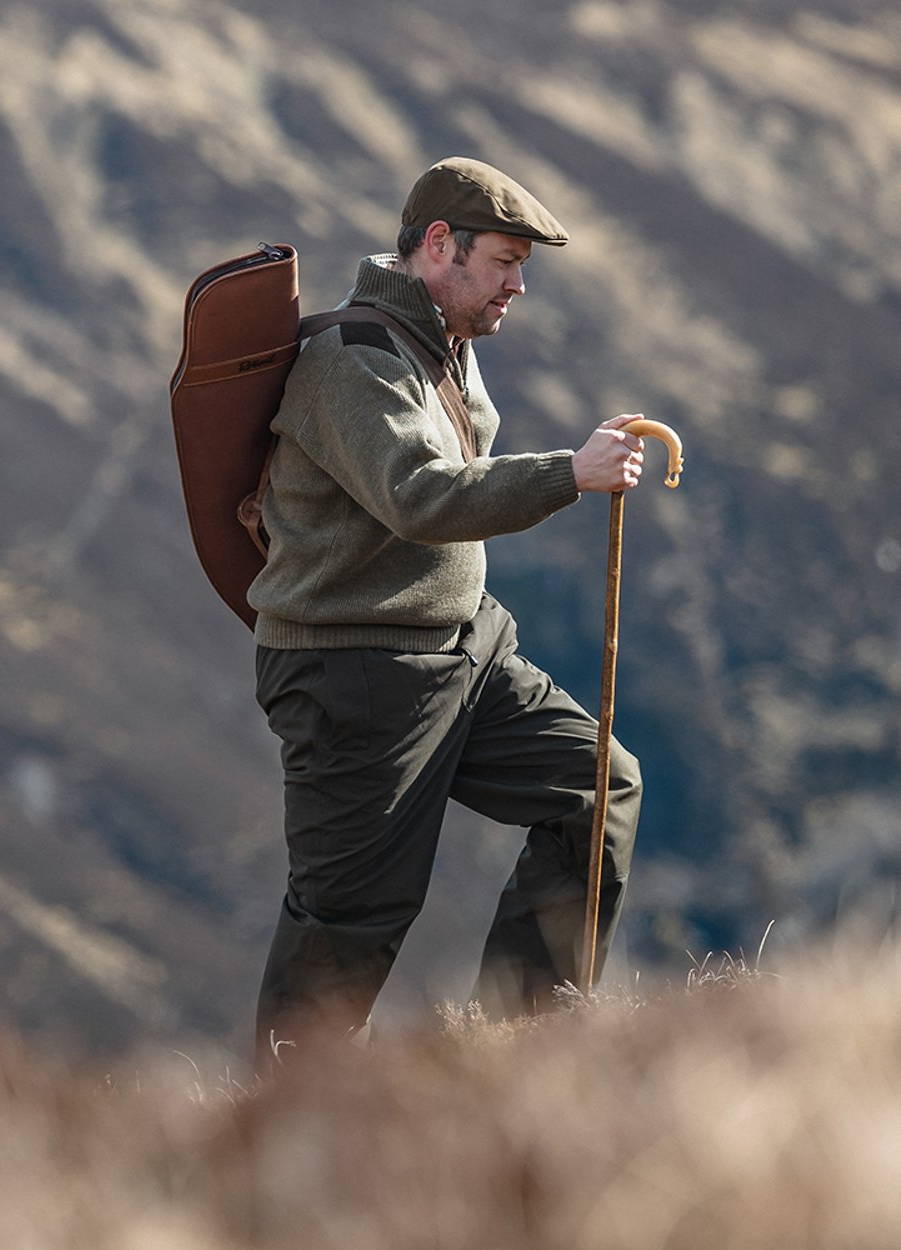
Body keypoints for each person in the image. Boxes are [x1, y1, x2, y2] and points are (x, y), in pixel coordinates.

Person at [248, 156, 645, 1070]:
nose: (516, 286)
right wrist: (567, 473)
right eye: (505, 262)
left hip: (464, 647)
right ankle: (272, 1124)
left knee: (597, 788)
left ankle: (520, 1055)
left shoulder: (439, 342)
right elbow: (421, 498)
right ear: (439, 246)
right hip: (359, 671)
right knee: (348, 921)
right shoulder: (354, 359)